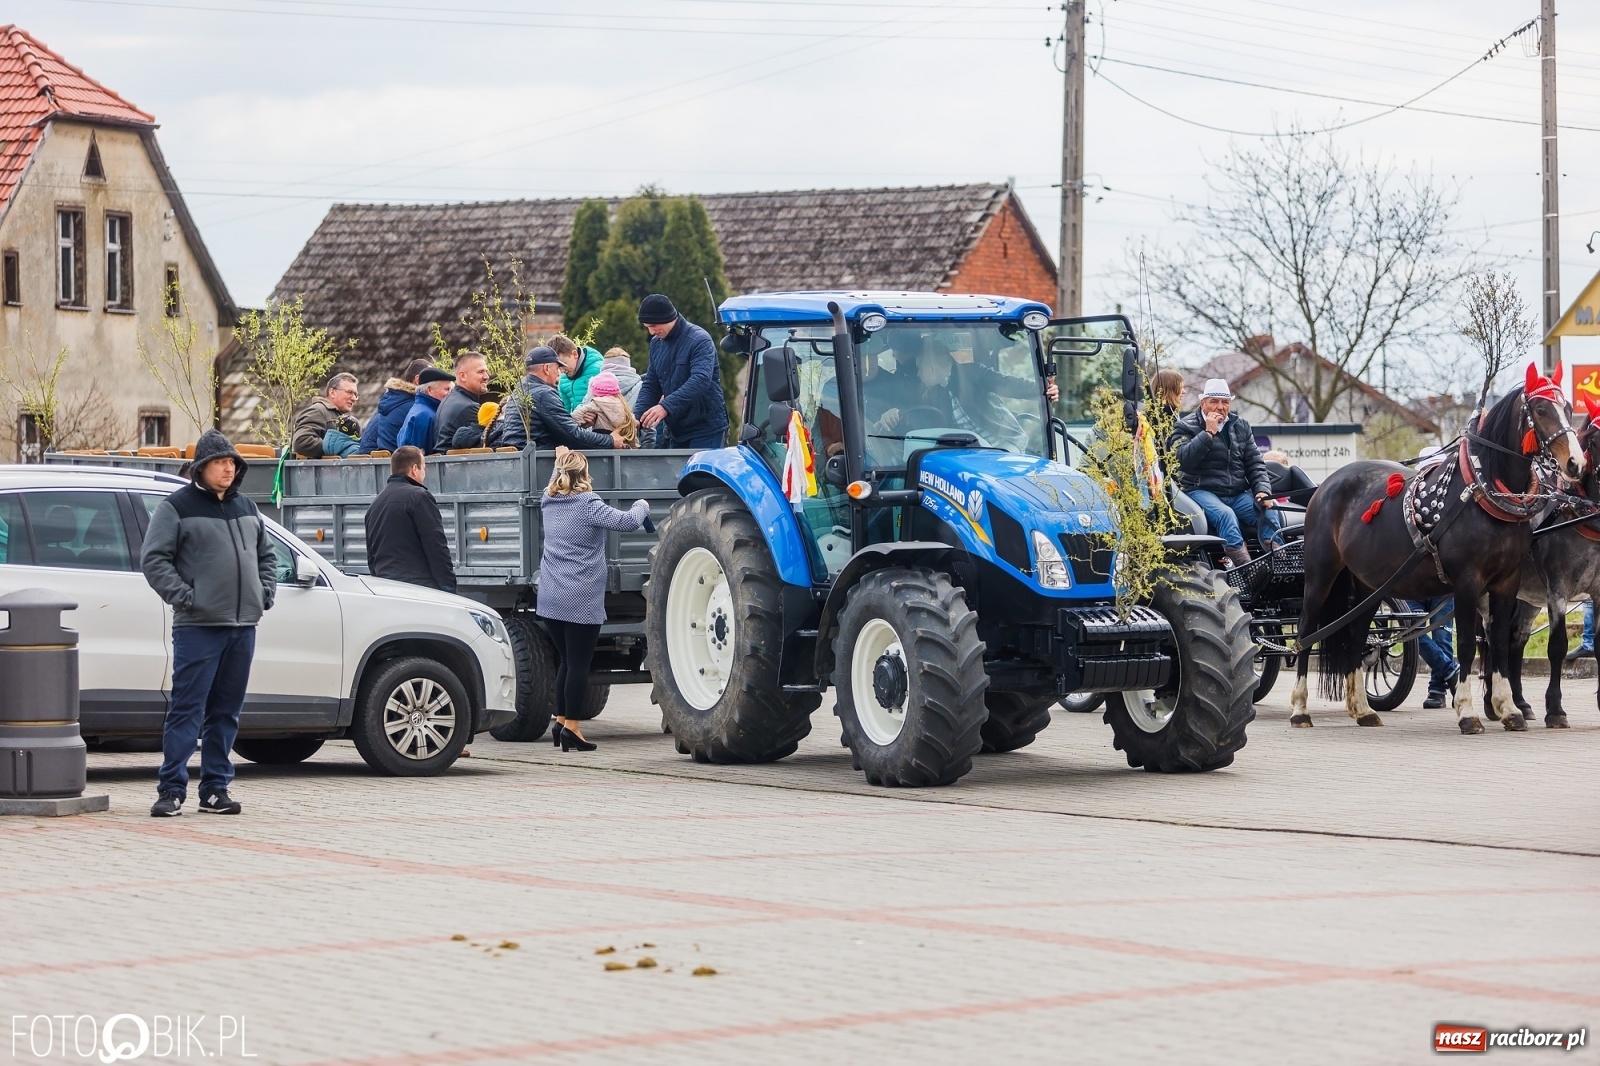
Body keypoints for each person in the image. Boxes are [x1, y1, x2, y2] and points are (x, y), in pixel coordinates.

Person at [140, 430, 276, 817]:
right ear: (202, 468)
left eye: (233, 463)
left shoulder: (248, 507)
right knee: (187, 709)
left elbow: (267, 557)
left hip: (242, 626)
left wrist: (264, 592)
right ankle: (171, 790)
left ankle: (216, 789)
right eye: (221, 463)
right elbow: (154, 560)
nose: (229, 469)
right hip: (197, 627)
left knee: (226, 712)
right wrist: (187, 597)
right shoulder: (176, 508)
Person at [537, 447, 650, 751]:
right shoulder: (588, 504)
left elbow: (559, 479)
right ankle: (572, 727)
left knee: (566, 661)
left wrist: (558, 462)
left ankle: (561, 722)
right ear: (585, 475)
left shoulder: (549, 501)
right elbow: (628, 522)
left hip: (550, 597)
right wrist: (642, 505)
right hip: (579, 597)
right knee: (578, 665)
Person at [1169, 378, 1284, 568]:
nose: (1220, 407)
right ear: (1203, 403)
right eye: (1214, 401)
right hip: (1201, 490)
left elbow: (1255, 463)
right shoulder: (1185, 426)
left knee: (1269, 511)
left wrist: (1262, 490)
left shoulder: (1241, 426)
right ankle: (1246, 569)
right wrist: (1207, 434)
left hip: (1236, 493)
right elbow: (1182, 461)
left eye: (1225, 402)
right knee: (1226, 515)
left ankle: (1279, 562)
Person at [633, 294, 729, 450]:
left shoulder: (699, 340)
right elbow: (652, 384)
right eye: (647, 327)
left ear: (666, 319)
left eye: (653, 326)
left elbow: (700, 380)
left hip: (706, 428)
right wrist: (637, 416)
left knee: (700, 475)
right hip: (677, 430)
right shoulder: (656, 344)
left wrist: (665, 407)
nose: (651, 332)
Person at [363, 446, 456, 593]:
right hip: (419, 590)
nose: (424, 474)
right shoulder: (419, 497)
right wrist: (448, 587)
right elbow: (436, 547)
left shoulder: (375, 504)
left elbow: (372, 556)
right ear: (414, 469)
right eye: (423, 468)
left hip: (386, 589)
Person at [494, 346, 623, 451]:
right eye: (557, 368)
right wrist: (610, 440)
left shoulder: (519, 391)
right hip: (537, 460)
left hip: (522, 456)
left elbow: (549, 428)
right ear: (546, 369)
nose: (558, 373)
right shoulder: (544, 394)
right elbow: (572, 436)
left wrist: (578, 423)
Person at [358, 358, 430, 454]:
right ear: (417, 380)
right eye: (431, 378)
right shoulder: (413, 406)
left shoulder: (394, 400)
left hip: (372, 460)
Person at [292, 373, 361, 458]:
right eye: (349, 392)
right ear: (332, 392)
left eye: (355, 395)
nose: (354, 398)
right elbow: (301, 442)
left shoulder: (338, 415)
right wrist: (339, 447)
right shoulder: (318, 411)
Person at [434, 351, 489, 452]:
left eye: (486, 371)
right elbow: (487, 443)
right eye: (480, 372)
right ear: (463, 376)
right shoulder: (469, 407)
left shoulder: (448, 400)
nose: (486, 377)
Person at [1408, 597, 1458, 708]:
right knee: (1411, 633)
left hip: (1442, 588)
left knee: (1442, 639)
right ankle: (1451, 672)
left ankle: (1437, 691)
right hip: (1410, 589)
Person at [572, 371, 639, 448]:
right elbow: (633, 424)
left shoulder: (596, 403)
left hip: (603, 444)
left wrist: (583, 425)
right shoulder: (624, 406)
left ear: (595, 391)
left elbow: (573, 419)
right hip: (622, 446)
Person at [396, 368, 455, 453]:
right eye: (447, 389)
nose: (450, 393)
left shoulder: (418, 410)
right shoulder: (425, 415)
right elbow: (420, 454)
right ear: (429, 390)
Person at [550, 335, 604, 412]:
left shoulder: (599, 370)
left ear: (575, 354)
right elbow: (566, 413)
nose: (561, 371)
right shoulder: (563, 380)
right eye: (558, 367)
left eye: (564, 363)